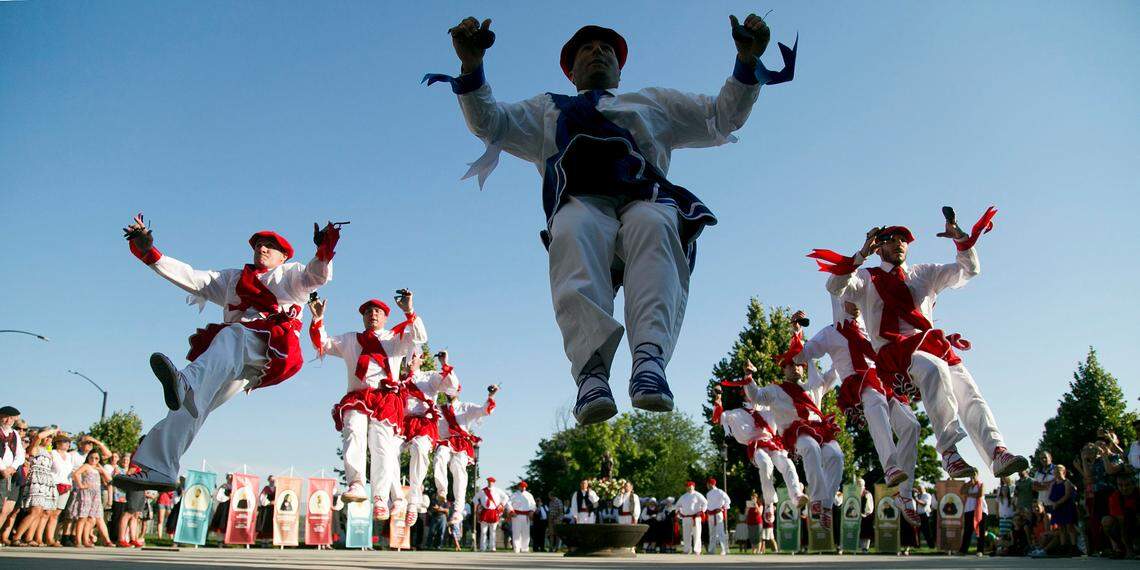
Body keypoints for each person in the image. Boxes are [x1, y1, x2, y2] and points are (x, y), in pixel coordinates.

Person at [430, 13, 794, 426]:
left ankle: (649, 359)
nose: (597, 52)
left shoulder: (653, 103)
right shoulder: (546, 110)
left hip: (644, 201)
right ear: (570, 71)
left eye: (607, 49)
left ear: (621, 69)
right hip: (584, 207)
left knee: (654, 223)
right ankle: (591, 374)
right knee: (571, 226)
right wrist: (471, 66)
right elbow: (490, 123)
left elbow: (721, 116)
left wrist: (745, 63)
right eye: (586, 48)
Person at [115, 214, 339, 490]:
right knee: (193, 405)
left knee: (231, 334)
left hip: (273, 349)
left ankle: (186, 381)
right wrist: (150, 251)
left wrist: (324, 250)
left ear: (283, 256)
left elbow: (315, 276)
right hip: (235, 359)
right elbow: (190, 276)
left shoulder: (289, 274)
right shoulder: (232, 278)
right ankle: (161, 468)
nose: (262, 248)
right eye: (258, 244)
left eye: (270, 245)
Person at [820, 215, 1029, 480]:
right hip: (894, 355)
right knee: (934, 368)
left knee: (969, 392)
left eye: (903, 240)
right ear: (879, 247)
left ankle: (997, 452)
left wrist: (960, 239)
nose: (899, 244)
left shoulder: (924, 273)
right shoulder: (866, 278)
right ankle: (949, 451)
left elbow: (968, 270)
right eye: (891, 239)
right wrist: (861, 254)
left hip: (931, 345)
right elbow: (835, 286)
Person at [792, 301, 922, 525]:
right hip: (859, 381)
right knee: (875, 402)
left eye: (859, 298)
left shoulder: (870, 325)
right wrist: (796, 331)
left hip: (883, 378)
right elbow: (800, 357)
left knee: (912, 426)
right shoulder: (830, 333)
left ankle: (905, 493)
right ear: (839, 303)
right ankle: (891, 466)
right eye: (849, 299)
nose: (856, 304)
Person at [308, 293, 425, 519]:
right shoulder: (350, 339)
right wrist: (317, 320)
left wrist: (409, 311)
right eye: (368, 312)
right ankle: (357, 484)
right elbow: (322, 344)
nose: (373, 315)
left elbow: (419, 337)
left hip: (385, 398)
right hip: (358, 396)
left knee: (381, 446)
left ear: (385, 317)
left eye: (378, 312)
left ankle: (380, 497)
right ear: (362, 317)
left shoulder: (395, 338)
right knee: (352, 431)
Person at [746, 330, 844, 531]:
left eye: (799, 364)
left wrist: (841, 348)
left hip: (820, 430)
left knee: (836, 456)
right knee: (809, 447)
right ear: (784, 369)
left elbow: (834, 372)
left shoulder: (813, 387)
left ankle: (826, 505)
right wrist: (749, 376)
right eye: (791, 364)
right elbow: (756, 396)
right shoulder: (775, 391)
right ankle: (817, 500)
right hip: (796, 433)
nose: (796, 367)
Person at [715, 368, 804, 511]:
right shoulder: (738, 413)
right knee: (765, 463)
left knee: (786, 463)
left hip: (772, 442)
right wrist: (718, 401)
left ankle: (796, 494)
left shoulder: (768, 408)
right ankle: (769, 500)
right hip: (756, 445)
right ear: (744, 396)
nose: (751, 397)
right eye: (747, 395)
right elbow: (721, 416)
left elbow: (784, 407)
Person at [401, 349, 460, 522]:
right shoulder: (397, 380)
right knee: (385, 451)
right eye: (407, 356)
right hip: (402, 424)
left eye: (414, 356)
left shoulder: (429, 377)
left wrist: (444, 364)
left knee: (419, 449)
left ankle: (413, 501)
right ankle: (392, 498)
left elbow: (452, 386)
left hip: (423, 424)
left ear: (422, 358)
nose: (410, 359)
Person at [434, 386, 498, 523]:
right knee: (439, 456)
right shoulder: (439, 409)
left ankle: (458, 510)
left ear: (458, 391)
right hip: (446, 441)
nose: (449, 392)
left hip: (462, 443)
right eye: (447, 389)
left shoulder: (465, 407)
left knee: (458, 469)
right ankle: (442, 491)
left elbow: (483, 410)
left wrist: (491, 395)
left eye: (452, 389)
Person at [11, 427, 58, 546]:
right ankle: (16, 537)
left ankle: (29, 537)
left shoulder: (48, 451)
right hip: (36, 480)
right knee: (34, 510)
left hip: (46, 481)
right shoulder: (36, 448)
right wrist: (52, 430)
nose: (49, 439)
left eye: (51, 438)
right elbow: (38, 437)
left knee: (40, 511)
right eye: (48, 437)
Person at [69, 450, 111, 547]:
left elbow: (109, 479)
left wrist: (101, 468)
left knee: (91, 519)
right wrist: (81, 485)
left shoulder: (97, 468)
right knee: (82, 517)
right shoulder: (86, 466)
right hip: (86, 493)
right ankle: (78, 540)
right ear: (88, 457)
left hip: (96, 494)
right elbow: (76, 474)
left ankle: (85, 540)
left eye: (96, 458)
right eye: (91, 457)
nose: (93, 460)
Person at [0, 406, 26, 542]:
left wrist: (12, 468)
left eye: (11, 418)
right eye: (6, 417)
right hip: (1, 473)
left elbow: (20, 455)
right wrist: (3, 469)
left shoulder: (15, 434)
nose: (8, 420)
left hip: (13, 473)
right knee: (0, 506)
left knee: (8, 508)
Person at [1103, 473, 1138, 559]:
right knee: (1106, 520)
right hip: (1123, 527)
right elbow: (1122, 524)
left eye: (1127, 485)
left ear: (1134, 484)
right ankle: (1119, 549)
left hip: (1136, 524)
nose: (1124, 488)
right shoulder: (1115, 497)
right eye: (1120, 485)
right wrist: (1128, 549)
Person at [475, 477, 510, 552]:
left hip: (494, 511)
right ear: (487, 482)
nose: (490, 483)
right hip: (485, 511)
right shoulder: (482, 491)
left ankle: (492, 547)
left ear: (494, 482)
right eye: (489, 481)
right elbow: (475, 498)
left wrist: (501, 505)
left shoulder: (498, 490)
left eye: (492, 482)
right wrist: (479, 505)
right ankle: (482, 547)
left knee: (493, 531)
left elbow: (506, 497)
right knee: (483, 531)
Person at [958, 473, 987, 556]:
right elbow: (961, 492)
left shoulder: (981, 484)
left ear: (977, 475)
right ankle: (963, 550)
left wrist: (968, 494)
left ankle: (980, 551)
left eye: (974, 475)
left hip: (980, 510)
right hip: (969, 510)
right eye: (970, 475)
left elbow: (980, 494)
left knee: (981, 531)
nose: (972, 477)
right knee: (967, 531)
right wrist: (968, 485)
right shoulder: (968, 484)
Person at [676, 481, 707, 555]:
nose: (689, 488)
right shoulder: (683, 496)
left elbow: (705, 503)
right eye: (687, 486)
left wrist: (702, 511)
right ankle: (687, 550)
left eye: (690, 486)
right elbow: (677, 505)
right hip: (686, 518)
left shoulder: (698, 495)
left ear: (693, 487)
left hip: (695, 517)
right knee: (686, 534)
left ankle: (697, 550)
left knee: (697, 534)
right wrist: (679, 512)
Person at [508, 481, 536, 553]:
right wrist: (511, 511)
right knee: (516, 532)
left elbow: (533, 505)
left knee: (526, 533)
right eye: (522, 486)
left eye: (524, 487)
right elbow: (508, 504)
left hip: (526, 516)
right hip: (516, 515)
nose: (523, 488)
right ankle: (516, 548)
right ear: (519, 487)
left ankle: (525, 548)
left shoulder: (529, 495)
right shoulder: (514, 495)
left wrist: (532, 511)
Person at [705, 477, 730, 555]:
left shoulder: (720, 491)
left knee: (720, 532)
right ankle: (712, 550)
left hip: (718, 514)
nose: (707, 486)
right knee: (712, 533)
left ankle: (724, 550)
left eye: (707, 484)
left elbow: (728, 500)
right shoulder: (708, 494)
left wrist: (722, 508)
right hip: (710, 514)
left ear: (710, 484)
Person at [855, 478, 874, 552]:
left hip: (865, 516)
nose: (858, 486)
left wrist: (864, 514)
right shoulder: (853, 493)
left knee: (865, 532)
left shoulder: (867, 494)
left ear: (863, 485)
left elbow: (869, 507)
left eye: (860, 484)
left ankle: (865, 548)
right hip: (855, 516)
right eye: (857, 484)